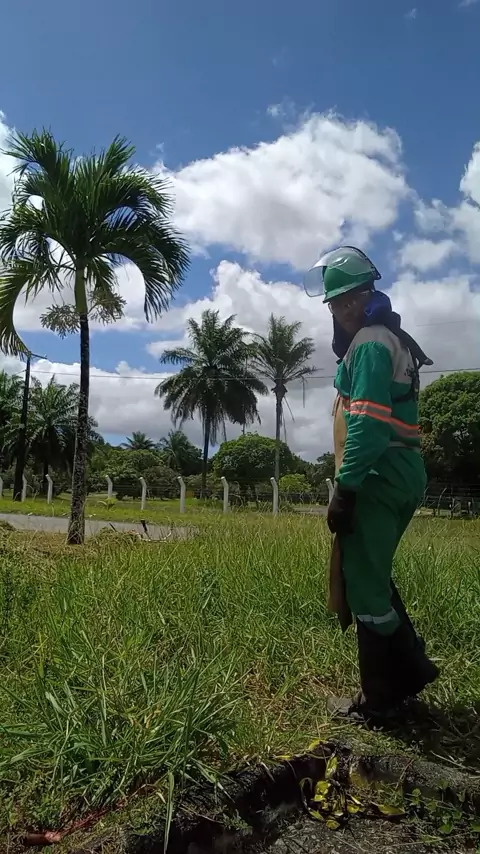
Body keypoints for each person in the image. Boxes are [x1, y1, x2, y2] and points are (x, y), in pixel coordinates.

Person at [304, 246, 439, 723]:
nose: (343, 309)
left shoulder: (369, 344)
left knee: (363, 586)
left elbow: (368, 425)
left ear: (367, 295)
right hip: (400, 472)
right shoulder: (389, 339)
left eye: (350, 299)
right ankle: (412, 671)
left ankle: (380, 698)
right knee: (372, 573)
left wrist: (346, 488)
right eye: (336, 303)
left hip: (378, 476)